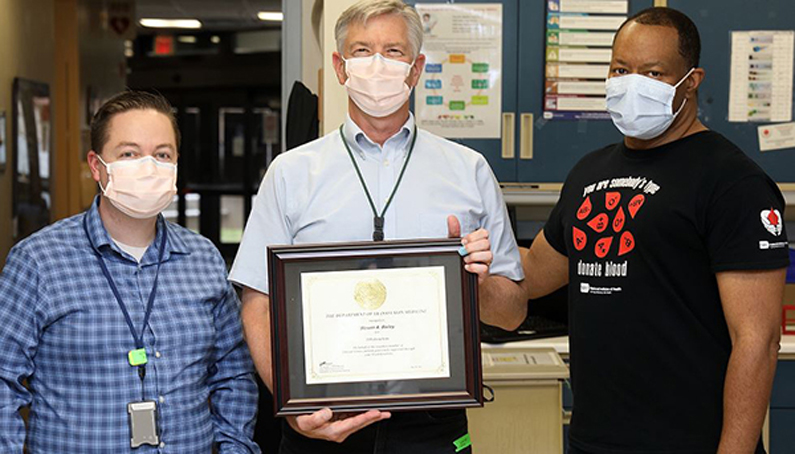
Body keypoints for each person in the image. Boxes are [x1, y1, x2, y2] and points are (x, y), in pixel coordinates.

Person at [229, 1, 524, 452]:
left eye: (393, 51)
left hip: (432, 424)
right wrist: (294, 408)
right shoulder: (291, 173)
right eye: (362, 50)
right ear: (340, 67)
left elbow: (512, 312)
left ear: (417, 67)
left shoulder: (468, 170)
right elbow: (258, 304)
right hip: (323, 425)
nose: (377, 64)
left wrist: (475, 285)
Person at [495, 7, 789, 454]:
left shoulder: (732, 181)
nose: (632, 84)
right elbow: (534, 272)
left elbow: (758, 340)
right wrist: (461, 254)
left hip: (689, 442)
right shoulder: (588, 172)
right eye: (621, 69)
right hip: (594, 440)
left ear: (690, 81)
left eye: (652, 72)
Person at [0, 91, 260, 453]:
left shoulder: (203, 258)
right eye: (129, 153)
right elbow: (3, 380)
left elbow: (233, 372)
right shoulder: (38, 261)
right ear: (96, 166)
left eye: (162, 154)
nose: (148, 166)